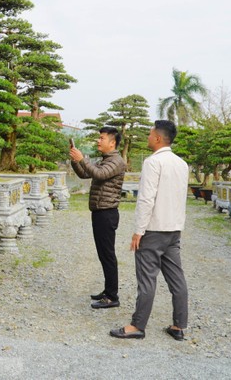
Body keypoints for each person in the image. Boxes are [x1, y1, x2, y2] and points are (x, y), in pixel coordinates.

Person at [109, 120, 189, 341]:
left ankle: (137, 325)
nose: (147, 137)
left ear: (158, 138)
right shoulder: (181, 164)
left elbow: (146, 199)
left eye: (150, 133)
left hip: (153, 230)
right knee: (177, 279)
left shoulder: (153, 163)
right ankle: (179, 325)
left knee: (146, 279)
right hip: (173, 229)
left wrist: (138, 230)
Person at [69, 127, 126, 309]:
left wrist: (82, 159)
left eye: (101, 138)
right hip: (100, 211)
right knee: (103, 254)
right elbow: (85, 173)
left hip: (107, 213)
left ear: (112, 142)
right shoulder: (106, 160)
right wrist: (75, 161)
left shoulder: (116, 161)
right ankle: (108, 290)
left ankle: (112, 296)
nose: (98, 141)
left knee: (107, 254)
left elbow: (99, 174)